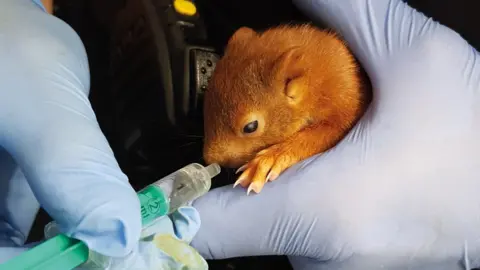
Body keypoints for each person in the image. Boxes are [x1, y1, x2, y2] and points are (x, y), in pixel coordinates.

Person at [0, 0, 478, 269]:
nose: (216, 154)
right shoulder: (253, 70)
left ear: (298, 90)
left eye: (247, 129)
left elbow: (338, 121)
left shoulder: (329, 90)